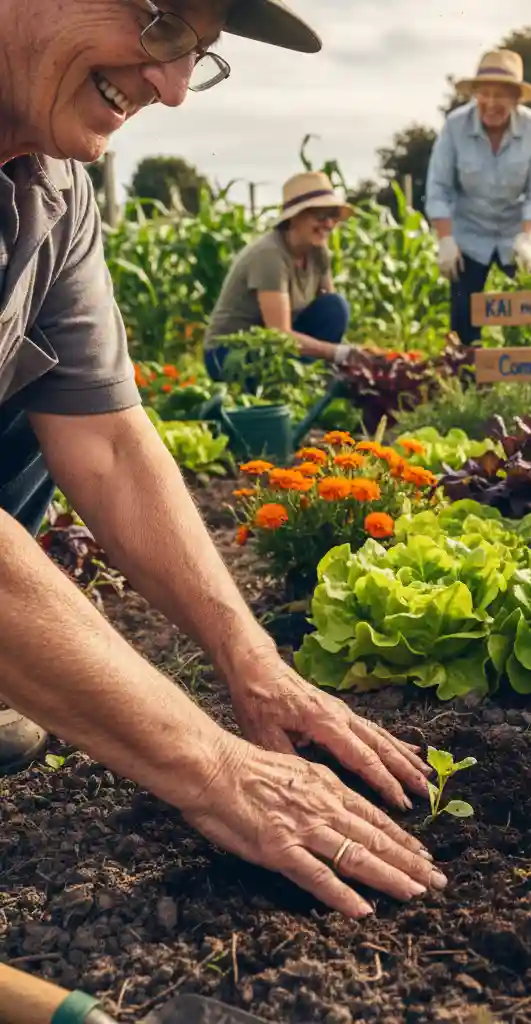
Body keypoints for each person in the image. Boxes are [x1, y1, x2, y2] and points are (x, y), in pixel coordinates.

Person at [0, 0, 446, 919]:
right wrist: (211, 766)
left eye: (198, 56)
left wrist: (254, 661)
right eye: (164, 25)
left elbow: (107, 439)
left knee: (37, 406)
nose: (171, 89)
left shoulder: (53, 185)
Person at [425, 49, 531, 346]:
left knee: (525, 320)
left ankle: (523, 371)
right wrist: (446, 240)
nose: (491, 103)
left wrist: (527, 237)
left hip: (517, 233)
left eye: (501, 96)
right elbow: (439, 187)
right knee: (464, 324)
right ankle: (466, 371)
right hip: (469, 234)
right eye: (485, 94)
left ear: (516, 99)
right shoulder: (455, 126)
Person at [205, 170, 364, 379]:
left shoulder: (318, 252)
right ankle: (305, 379)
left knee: (335, 307)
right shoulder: (270, 255)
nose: (328, 224)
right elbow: (279, 333)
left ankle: (315, 378)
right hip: (232, 353)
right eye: (320, 216)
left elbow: (329, 310)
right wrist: (340, 353)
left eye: (333, 215)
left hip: (272, 346)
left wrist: (354, 355)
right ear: (294, 218)